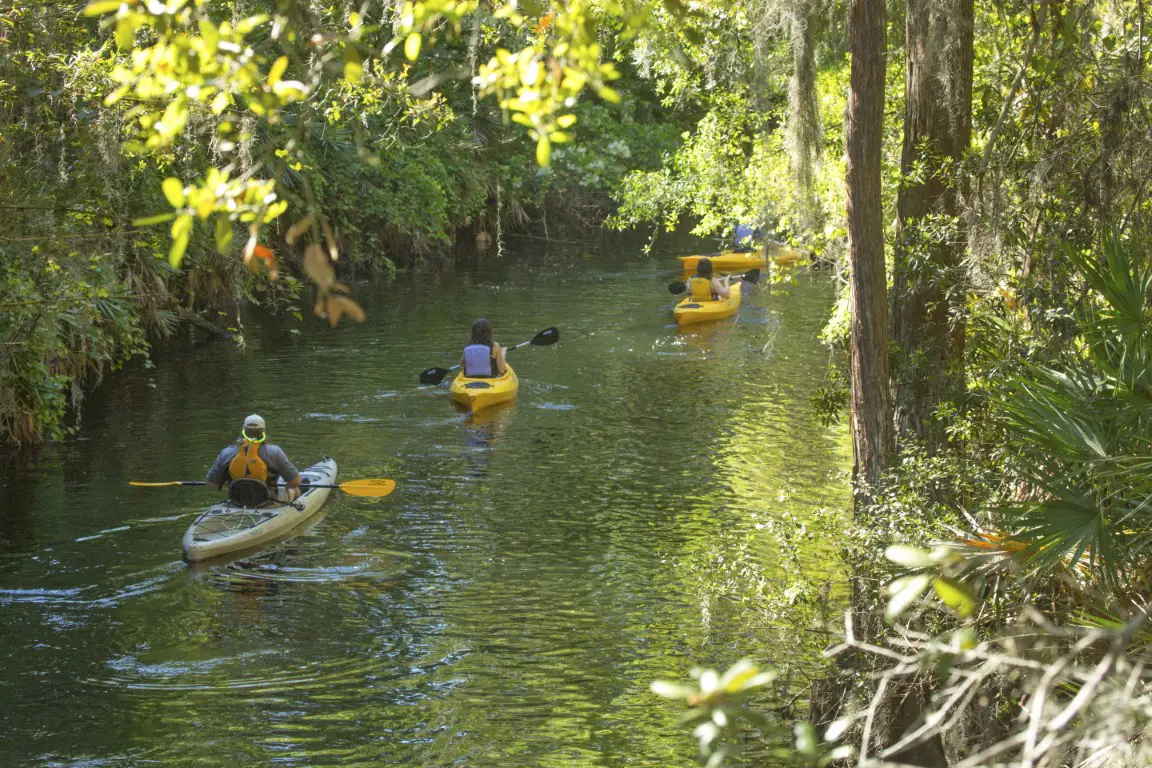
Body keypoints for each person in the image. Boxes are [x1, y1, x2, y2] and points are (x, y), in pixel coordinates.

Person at [205, 414, 302, 505]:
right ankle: (295, 510)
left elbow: (211, 484)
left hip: (237, 501)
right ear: (263, 431)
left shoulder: (226, 452)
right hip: (268, 502)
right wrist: (287, 487)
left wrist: (233, 484)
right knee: (295, 489)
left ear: (243, 431)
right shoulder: (275, 452)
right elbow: (295, 482)